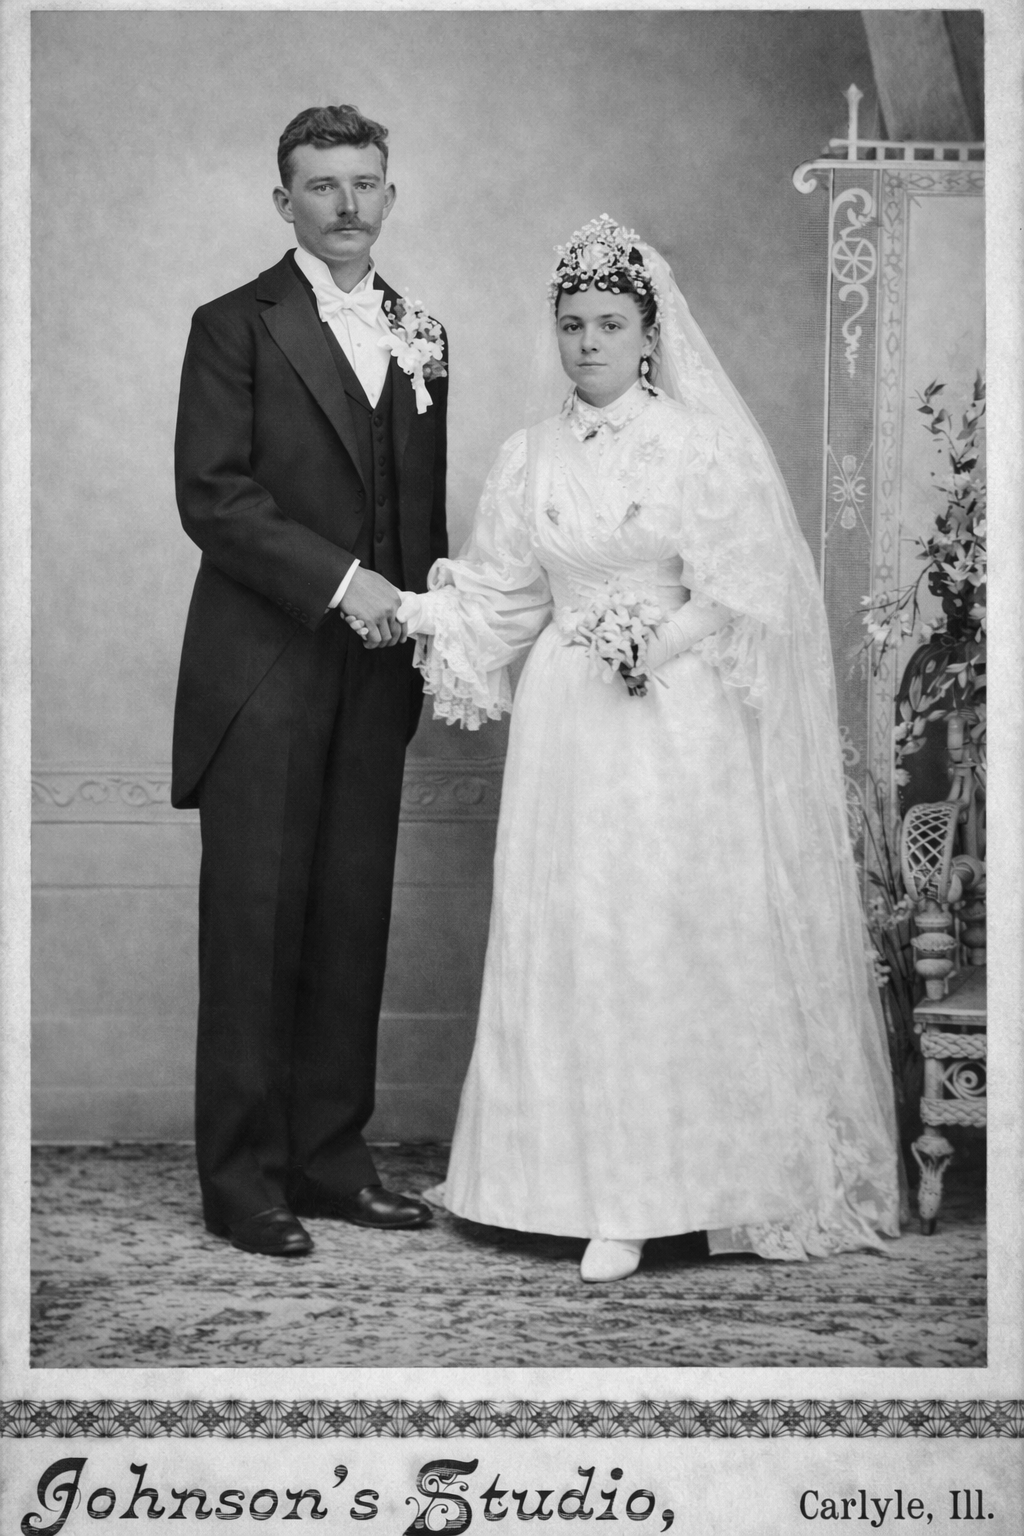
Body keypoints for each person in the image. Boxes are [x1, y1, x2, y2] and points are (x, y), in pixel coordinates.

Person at [383, 216, 900, 1283]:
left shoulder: (697, 448)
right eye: (571, 324)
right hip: (568, 724)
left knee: (661, 933)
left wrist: (649, 642)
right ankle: (540, 1184)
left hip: (673, 718)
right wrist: (410, 611)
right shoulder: (530, 457)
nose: (587, 343)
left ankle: (666, 1194)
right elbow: (501, 592)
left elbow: (745, 587)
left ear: (648, 333)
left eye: (610, 323)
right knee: (566, 929)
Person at [171, 105, 447, 1257]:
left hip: (375, 679)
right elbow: (214, 497)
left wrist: (430, 627)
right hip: (263, 671)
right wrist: (348, 585)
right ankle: (243, 1183)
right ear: (283, 202)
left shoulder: (420, 328)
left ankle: (331, 1160)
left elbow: (413, 505)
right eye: (321, 185)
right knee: (255, 928)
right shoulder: (233, 323)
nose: (346, 203)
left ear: (390, 194)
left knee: (347, 924)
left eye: (365, 182)